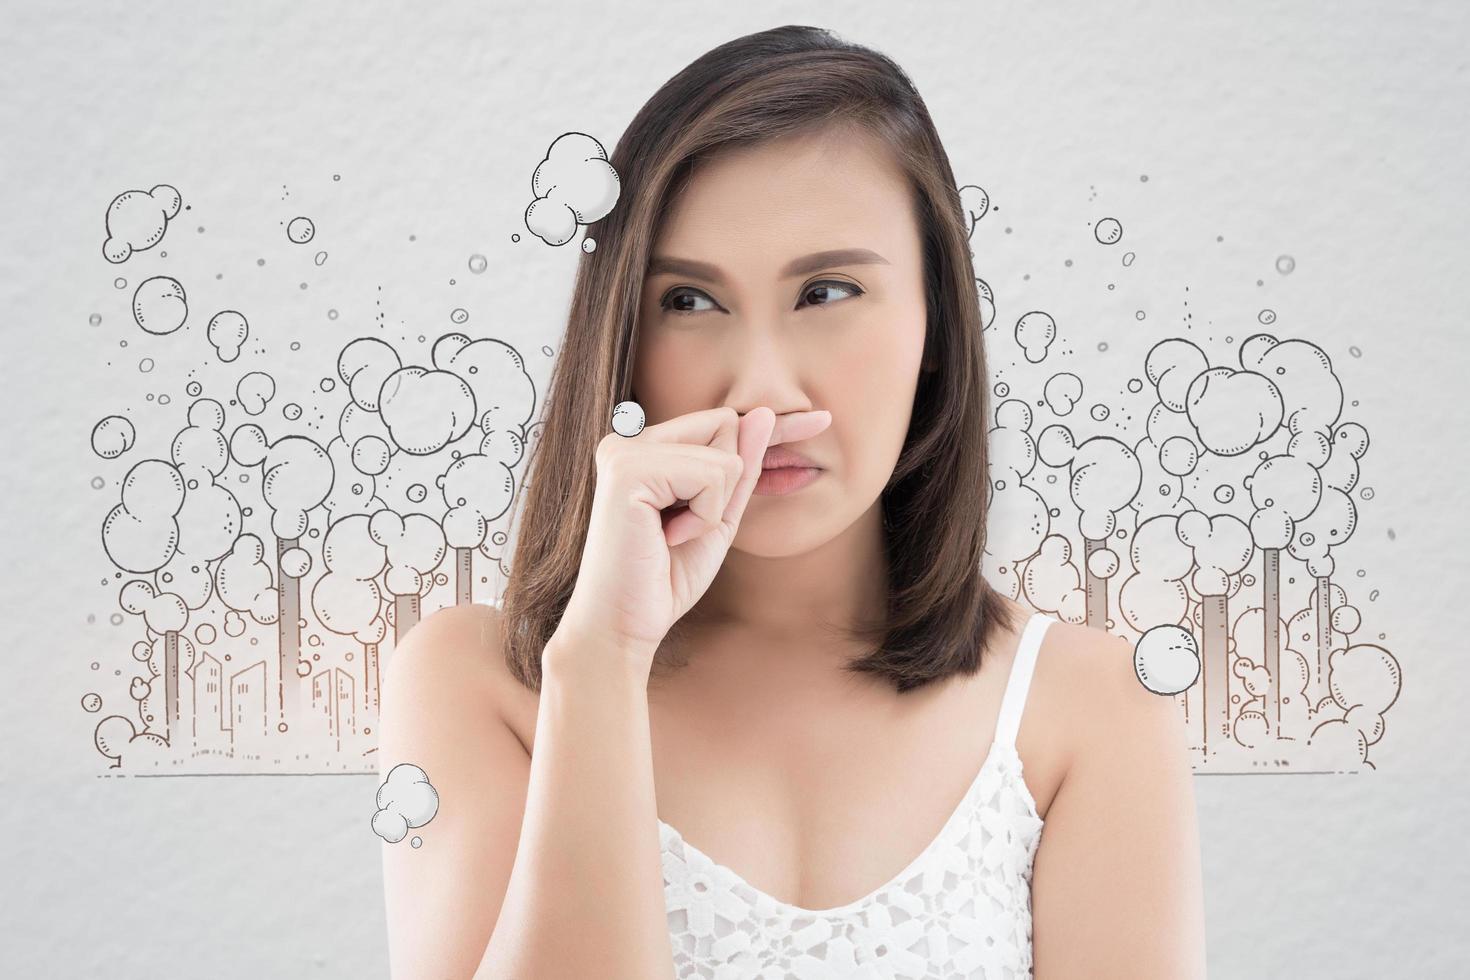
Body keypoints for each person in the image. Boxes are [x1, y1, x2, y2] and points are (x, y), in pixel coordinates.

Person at [380, 24, 1206, 980]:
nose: (762, 390)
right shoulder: (482, 683)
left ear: (936, 319)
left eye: (827, 289)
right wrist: (602, 663)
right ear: (621, 336)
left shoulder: (1092, 711)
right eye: (689, 302)